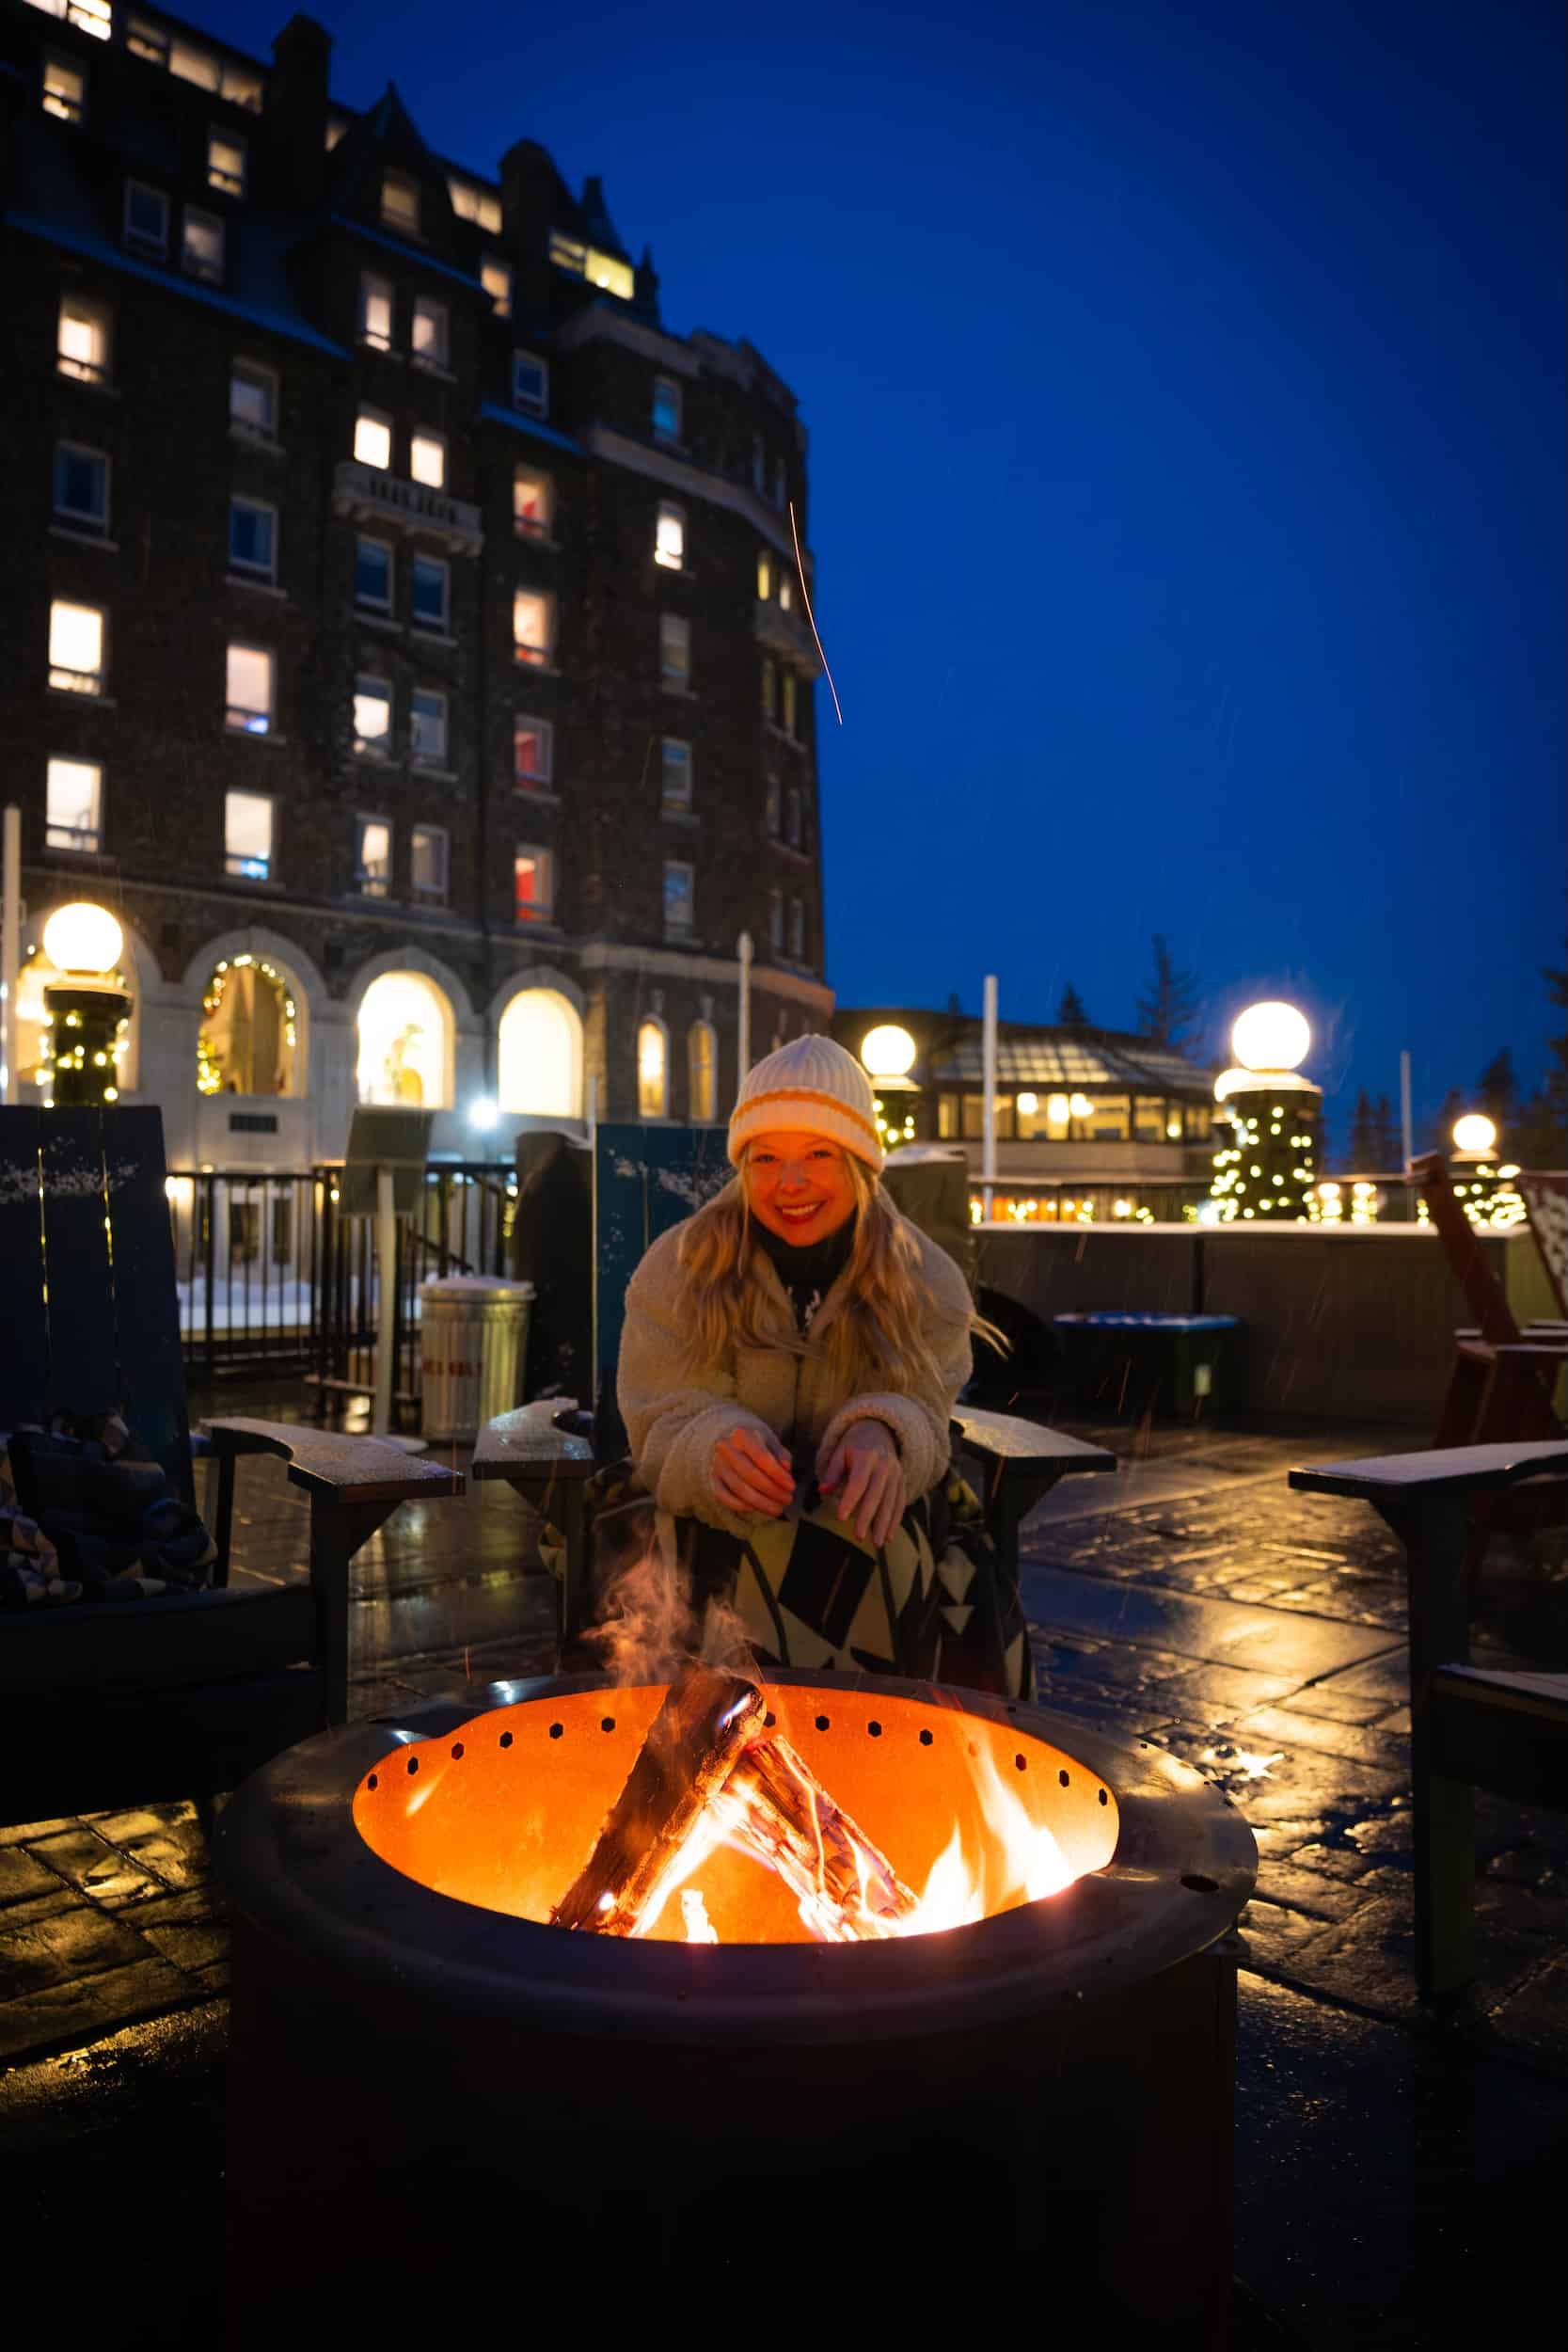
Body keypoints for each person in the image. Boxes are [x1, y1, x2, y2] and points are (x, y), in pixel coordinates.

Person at [609, 1034, 1032, 1696]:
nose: (791, 1183)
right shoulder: (680, 1267)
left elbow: (928, 1406)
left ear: (860, 1164)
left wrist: (884, 1432)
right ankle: (726, 1759)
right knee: (727, 1558)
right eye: (767, 1158)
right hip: (710, 1513)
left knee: (894, 1556)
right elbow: (656, 1411)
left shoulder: (925, 1279)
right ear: (742, 1166)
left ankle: (900, 1745)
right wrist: (710, 1442)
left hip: (866, 1520)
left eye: (818, 1155)